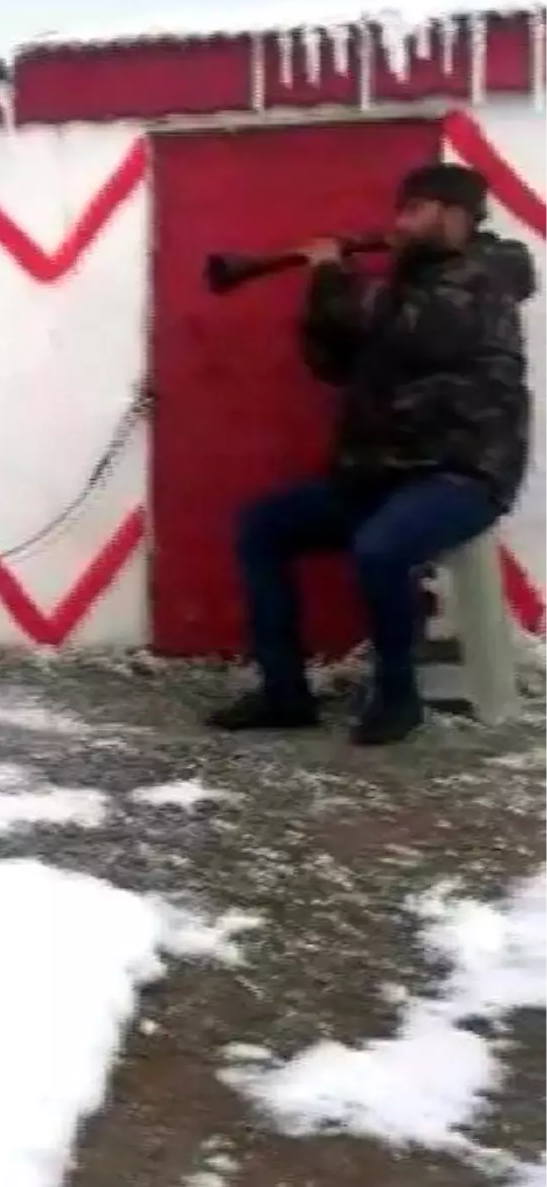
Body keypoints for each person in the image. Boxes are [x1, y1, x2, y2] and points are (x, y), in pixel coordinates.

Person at [208, 161, 536, 747]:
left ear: (454, 214)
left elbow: (408, 327)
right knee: (262, 526)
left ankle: (397, 696)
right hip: (383, 472)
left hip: (460, 473)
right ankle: (285, 694)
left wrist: (334, 272)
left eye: (416, 210)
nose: (402, 223)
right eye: (401, 209)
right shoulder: (404, 285)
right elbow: (335, 365)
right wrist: (321, 293)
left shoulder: (484, 277)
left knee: (379, 549)